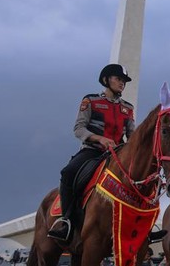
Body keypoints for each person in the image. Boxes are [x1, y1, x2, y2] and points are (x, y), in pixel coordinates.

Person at [48, 64, 134, 242]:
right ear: (106, 80)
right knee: (68, 173)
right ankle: (67, 222)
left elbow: (132, 136)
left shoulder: (128, 108)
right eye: (118, 79)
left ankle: (141, 228)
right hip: (93, 152)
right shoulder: (91, 101)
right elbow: (78, 129)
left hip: (118, 155)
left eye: (124, 81)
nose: (122, 83)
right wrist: (99, 139)